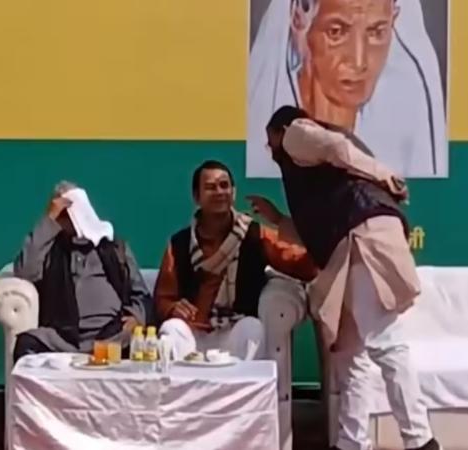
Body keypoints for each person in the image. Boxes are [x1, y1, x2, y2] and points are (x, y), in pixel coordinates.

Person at [264, 105, 440, 450]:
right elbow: (315, 230)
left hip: (361, 235)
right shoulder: (306, 168)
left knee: (385, 341)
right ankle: (351, 442)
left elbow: (338, 148)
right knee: (349, 353)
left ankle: (421, 441)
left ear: (280, 129)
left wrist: (385, 177)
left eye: (269, 139)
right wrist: (277, 219)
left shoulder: (296, 133)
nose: (268, 148)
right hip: (348, 244)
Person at [248, 0, 447, 178]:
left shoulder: (405, 123)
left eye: (377, 33)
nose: (359, 62)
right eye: (336, 32)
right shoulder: (273, 115)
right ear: (298, 20)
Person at [155, 160, 317, 362]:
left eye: (224, 185)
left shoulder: (254, 234)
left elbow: (301, 265)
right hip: (194, 332)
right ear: (197, 197)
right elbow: (163, 298)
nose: (219, 192)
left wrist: (282, 221)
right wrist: (173, 308)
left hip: (234, 331)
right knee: (171, 328)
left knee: (252, 328)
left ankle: (243, 384)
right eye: (210, 187)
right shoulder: (180, 243)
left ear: (233, 193)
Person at [12, 181, 149, 361]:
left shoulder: (115, 248)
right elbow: (24, 271)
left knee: (141, 345)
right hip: (63, 338)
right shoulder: (49, 248)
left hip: (113, 335)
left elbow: (141, 293)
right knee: (26, 344)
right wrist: (49, 220)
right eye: (62, 214)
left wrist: (136, 317)